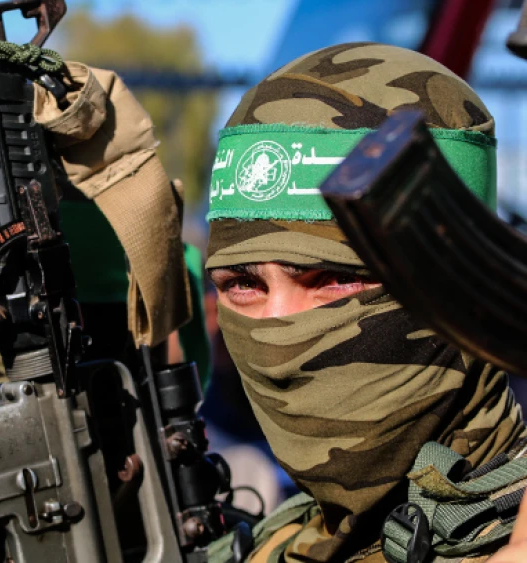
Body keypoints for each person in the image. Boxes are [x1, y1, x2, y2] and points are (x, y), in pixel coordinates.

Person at [203, 43, 527, 563]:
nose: (277, 328)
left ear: (462, 286)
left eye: (336, 279)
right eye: (244, 285)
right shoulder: (268, 547)